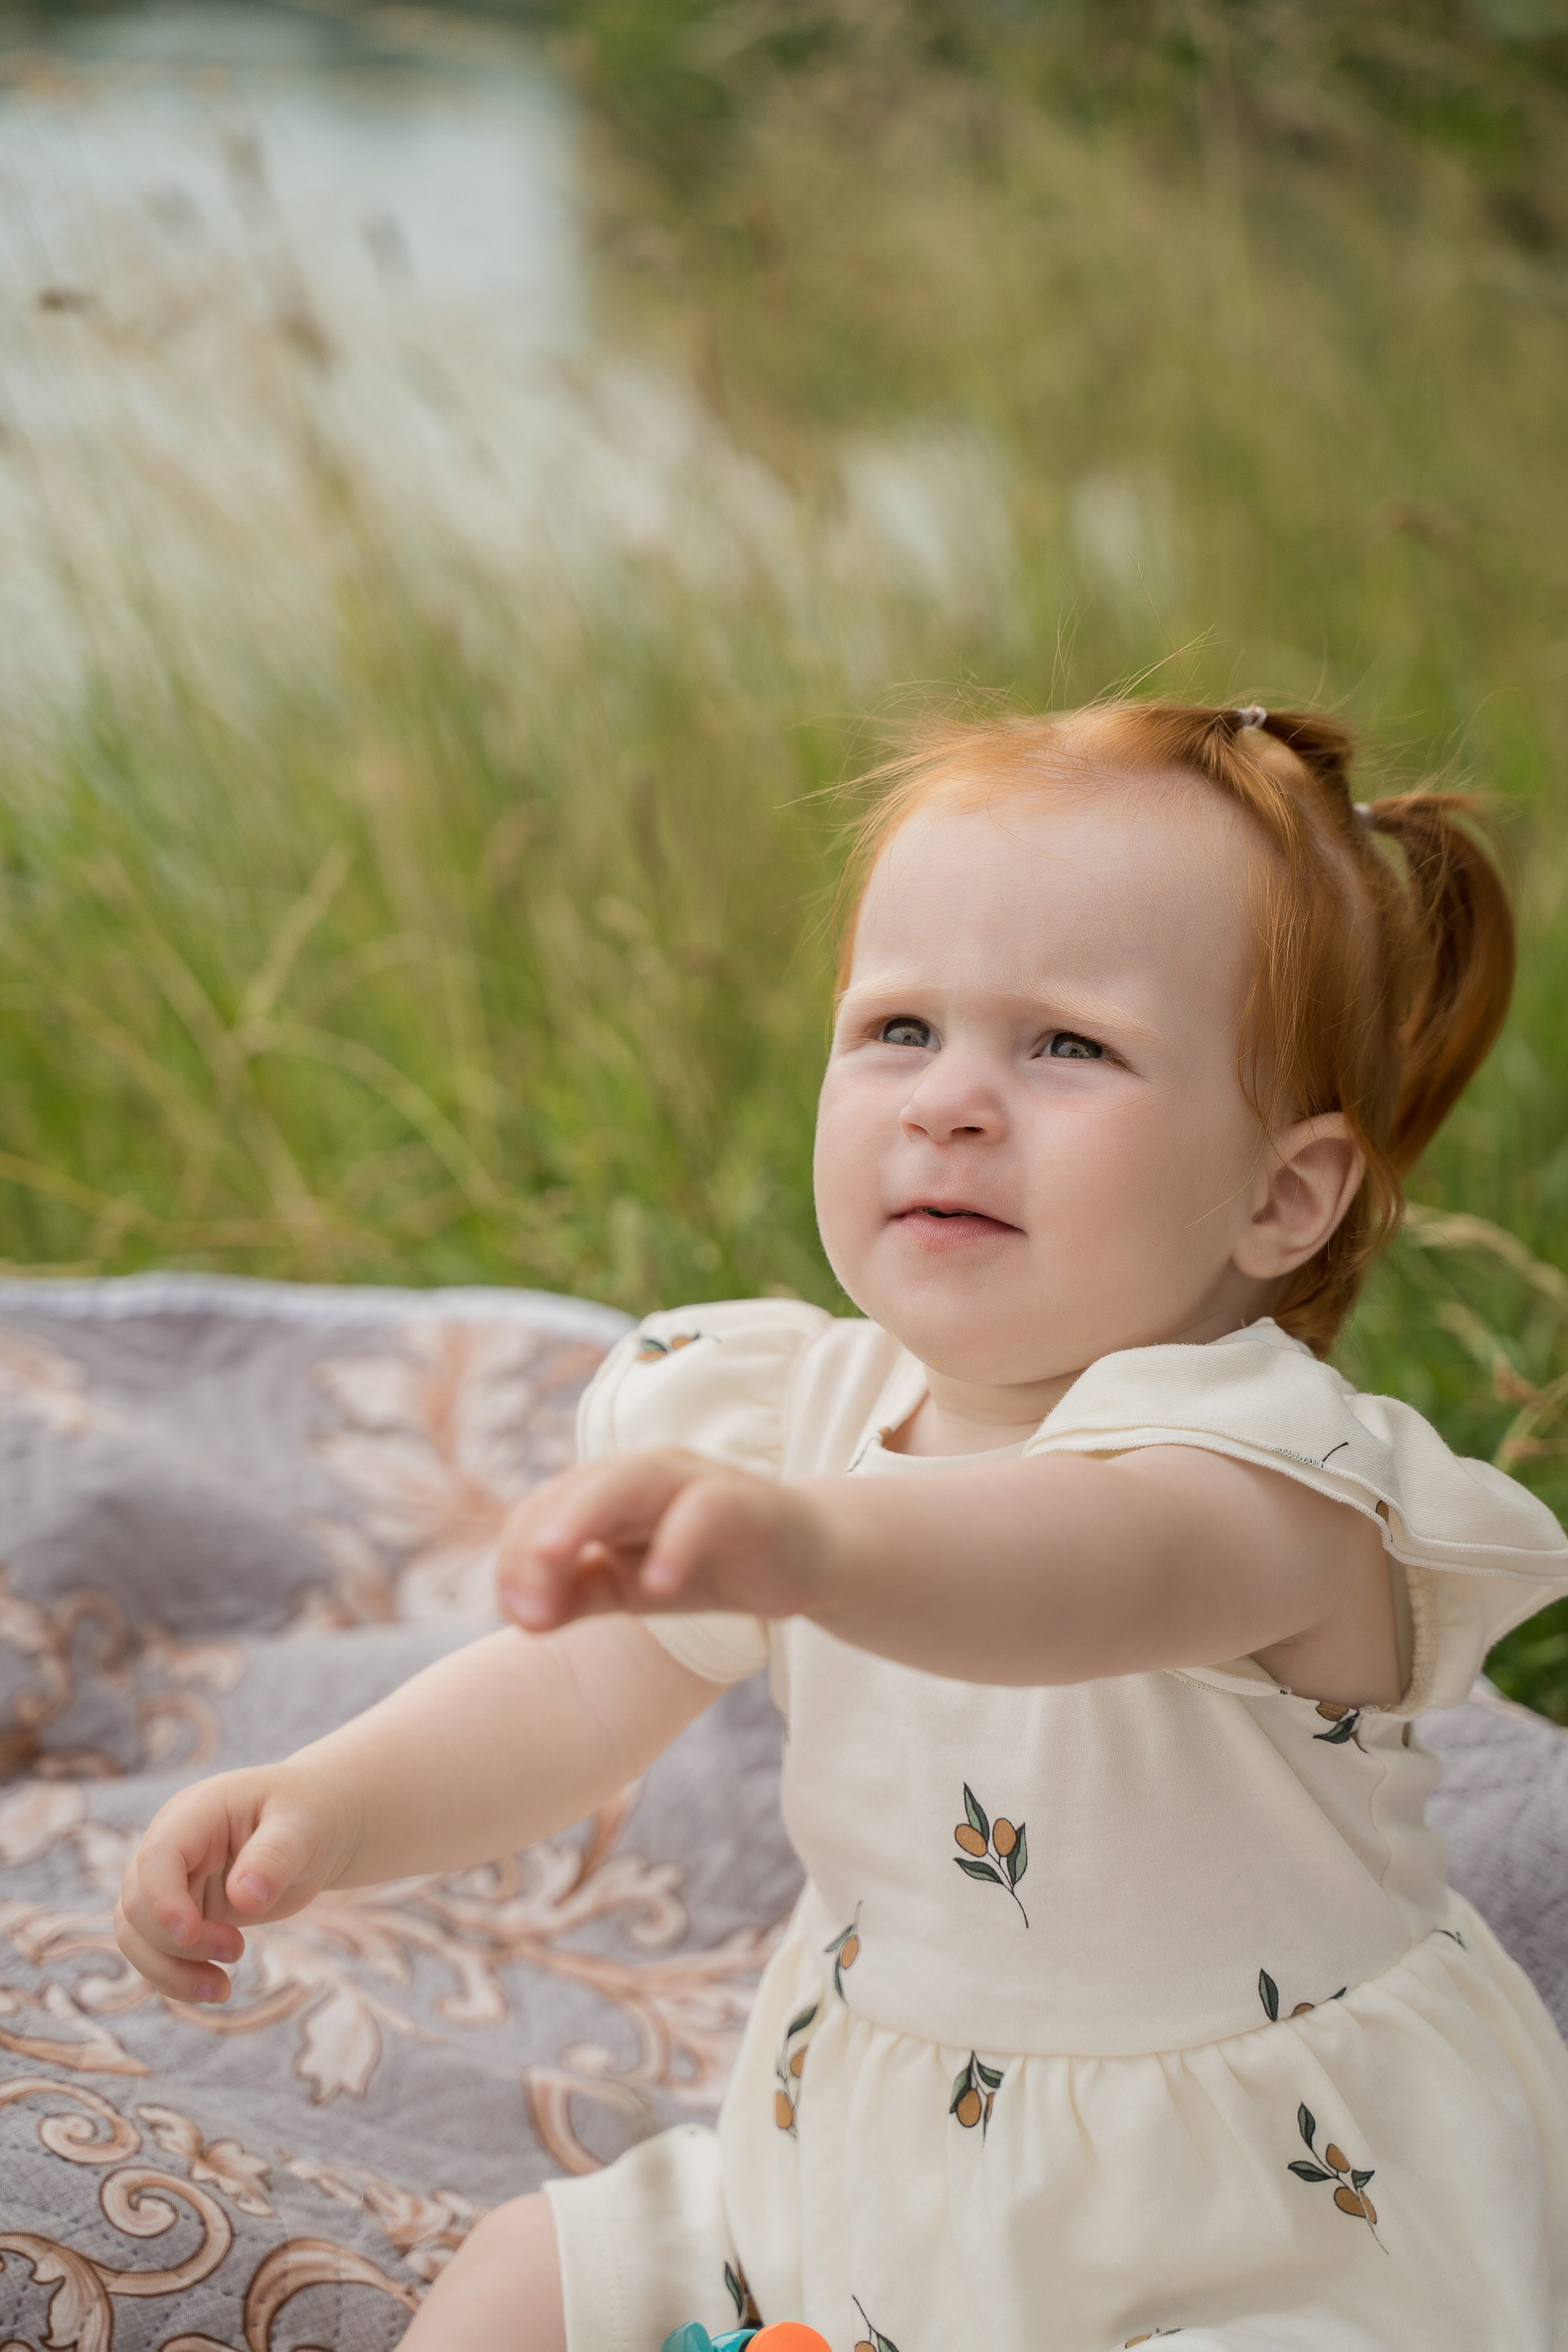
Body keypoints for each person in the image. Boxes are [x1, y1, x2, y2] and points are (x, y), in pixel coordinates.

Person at [115, 701, 1568, 2351]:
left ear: (1280, 1199)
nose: (949, 1101)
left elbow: (1080, 1570)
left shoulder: (1269, 1476)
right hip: (866, 2152)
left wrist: (805, 1550)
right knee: (529, 2273)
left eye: (1068, 1046)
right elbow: (577, 1697)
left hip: (1250, 2215)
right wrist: (325, 1809)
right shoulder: (787, 1418)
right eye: (897, 1029)